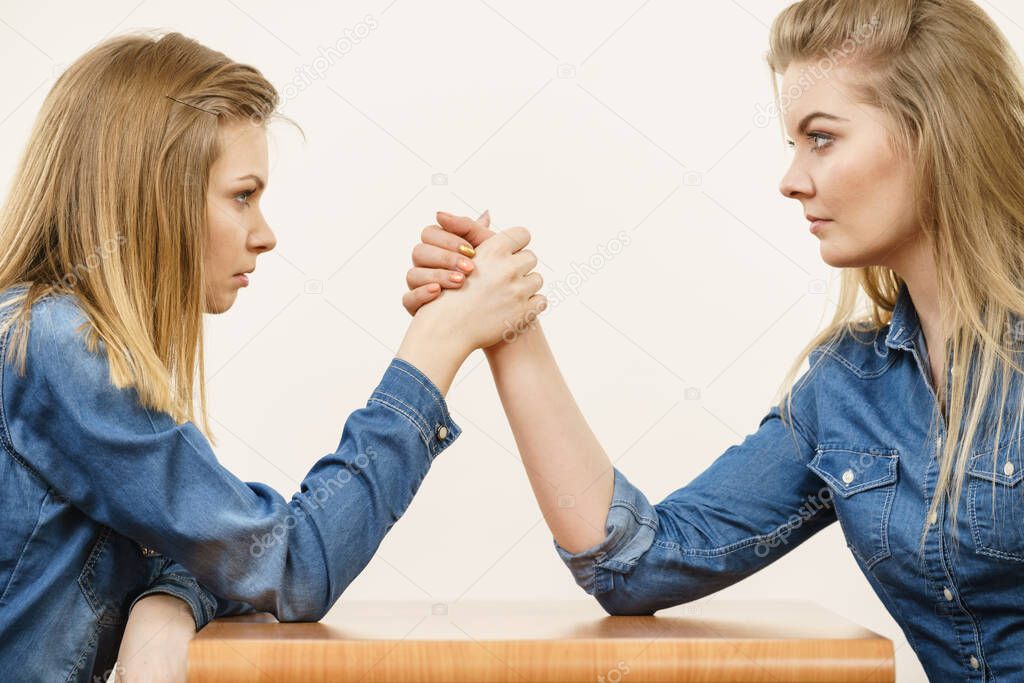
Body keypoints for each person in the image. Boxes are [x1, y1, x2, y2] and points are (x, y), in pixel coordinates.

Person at [404, 0, 1024, 680]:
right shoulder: (847, 388)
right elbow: (634, 562)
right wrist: (509, 324)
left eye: (821, 137)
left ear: (934, 132)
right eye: (793, 145)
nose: (791, 180)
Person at [0, 31, 544, 683]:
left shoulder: (36, 333)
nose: (265, 233)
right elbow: (291, 563)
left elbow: (220, 555)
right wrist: (438, 344)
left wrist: (170, 601)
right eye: (242, 195)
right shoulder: (54, 346)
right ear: (153, 196)